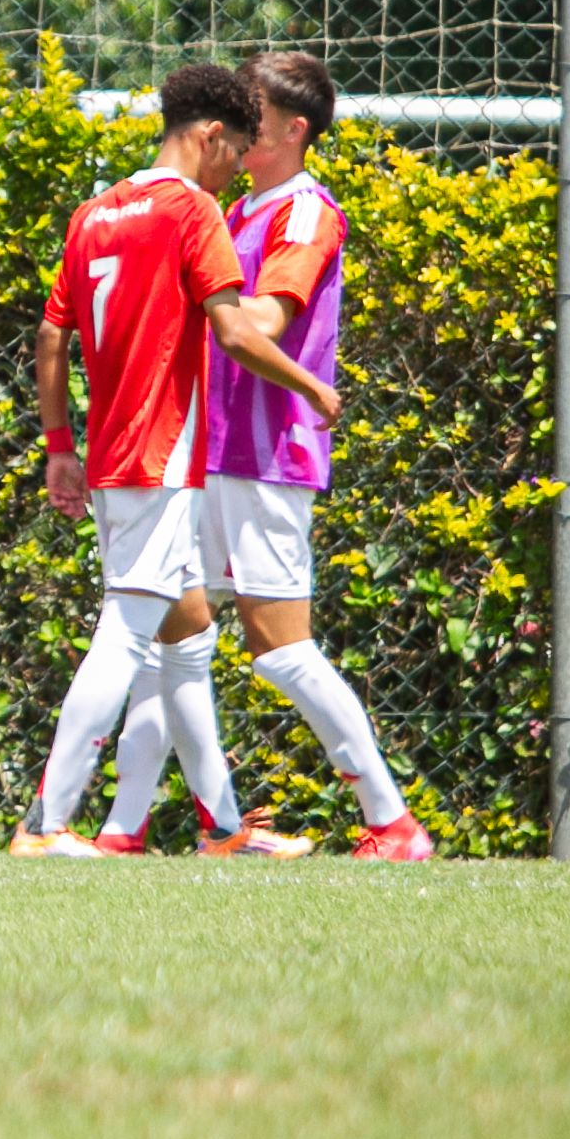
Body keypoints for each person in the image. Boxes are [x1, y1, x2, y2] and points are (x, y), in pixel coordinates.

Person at [94, 54, 431, 858]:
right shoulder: (230, 209)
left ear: (294, 130)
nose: (238, 133)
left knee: (279, 647)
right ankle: (123, 828)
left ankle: (391, 821)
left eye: (256, 117)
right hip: (201, 451)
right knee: (163, 633)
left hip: (264, 455)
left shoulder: (306, 214)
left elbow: (263, 324)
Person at [14, 62, 342, 859]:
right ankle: (44, 823)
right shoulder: (192, 210)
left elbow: (51, 336)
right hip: (160, 453)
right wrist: (313, 390)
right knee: (124, 631)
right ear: (206, 135)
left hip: (111, 453)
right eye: (235, 148)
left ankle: (223, 829)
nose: (237, 164)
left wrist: (60, 444)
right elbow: (233, 331)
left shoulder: (95, 210)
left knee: (186, 634)